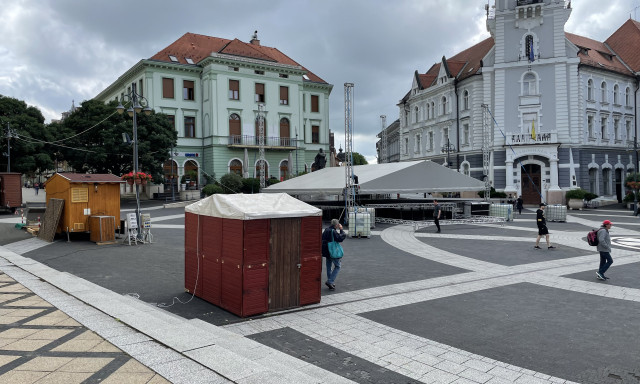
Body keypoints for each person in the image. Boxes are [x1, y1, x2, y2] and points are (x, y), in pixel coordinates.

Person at [321, 219, 346, 290]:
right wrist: (341, 230)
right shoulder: (333, 231)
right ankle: (330, 281)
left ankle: (330, 282)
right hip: (332, 251)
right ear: (336, 225)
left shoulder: (326, 230)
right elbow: (340, 238)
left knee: (329, 267)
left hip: (326, 251)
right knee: (338, 266)